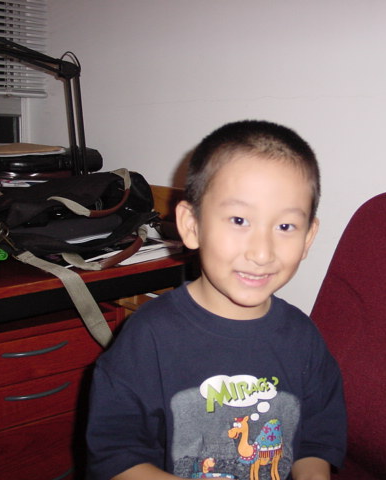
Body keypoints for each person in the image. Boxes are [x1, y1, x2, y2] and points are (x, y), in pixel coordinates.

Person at [86, 120, 347, 480]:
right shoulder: (148, 337)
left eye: (285, 227)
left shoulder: (304, 338)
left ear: (308, 238)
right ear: (192, 226)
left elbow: (317, 441)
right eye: (239, 220)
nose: (262, 252)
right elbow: (114, 455)